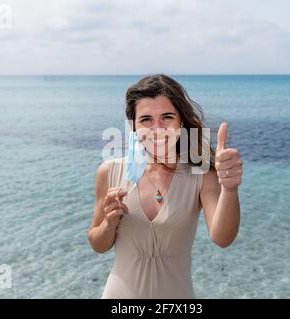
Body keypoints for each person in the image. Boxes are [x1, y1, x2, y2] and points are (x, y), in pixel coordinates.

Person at [88, 74, 243, 298]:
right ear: (133, 126)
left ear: (181, 122)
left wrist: (230, 189)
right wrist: (109, 223)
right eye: (146, 119)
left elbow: (223, 239)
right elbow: (98, 244)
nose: (157, 128)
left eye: (167, 117)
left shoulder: (201, 175)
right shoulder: (109, 172)